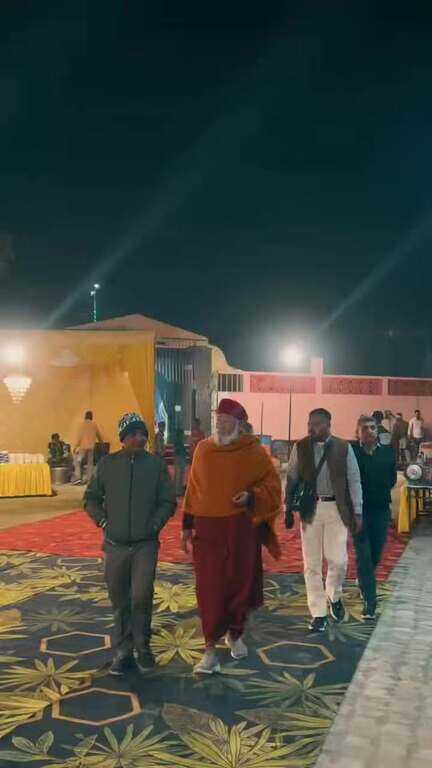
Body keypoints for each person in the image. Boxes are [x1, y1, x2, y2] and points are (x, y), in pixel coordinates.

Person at [182, 398, 282, 674]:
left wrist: (251, 496)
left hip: (240, 529)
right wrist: (186, 524)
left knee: (240, 583)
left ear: (239, 424)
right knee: (209, 588)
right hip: (207, 531)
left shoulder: (253, 451)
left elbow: (272, 485)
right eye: (218, 420)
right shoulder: (203, 450)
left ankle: (235, 633)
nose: (221, 425)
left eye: (226, 421)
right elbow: (193, 488)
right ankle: (209, 650)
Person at [84, 412, 176, 675]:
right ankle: (123, 652)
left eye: (142, 434)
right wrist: (103, 521)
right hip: (114, 545)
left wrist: (154, 524)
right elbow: (91, 498)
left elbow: (168, 501)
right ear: (123, 438)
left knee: (141, 596)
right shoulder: (108, 464)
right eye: (134, 434)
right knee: (120, 600)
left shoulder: (155, 466)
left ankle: (143, 648)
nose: (140, 438)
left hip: (145, 545)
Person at [285, 408, 363, 633]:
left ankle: (334, 594)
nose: (311, 428)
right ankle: (318, 613)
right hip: (310, 510)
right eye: (310, 423)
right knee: (312, 564)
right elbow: (291, 477)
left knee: (338, 561)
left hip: (336, 510)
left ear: (328, 424)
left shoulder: (343, 447)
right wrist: (287, 508)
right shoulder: (300, 447)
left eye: (317, 424)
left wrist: (357, 511)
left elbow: (354, 479)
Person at [352, 416, 397, 620]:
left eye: (373, 427)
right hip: (359, 513)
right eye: (365, 428)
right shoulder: (352, 453)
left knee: (376, 554)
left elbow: (392, 479)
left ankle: (363, 577)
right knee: (364, 555)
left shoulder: (387, 452)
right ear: (357, 433)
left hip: (381, 510)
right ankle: (370, 601)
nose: (370, 431)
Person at [72, 411, 103, 485]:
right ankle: (89, 480)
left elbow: (80, 437)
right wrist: (101, 443)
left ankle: (78, 478)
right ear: (91, 416)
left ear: (85, 416)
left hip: (83, 447)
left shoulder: (82, 424)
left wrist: (75, 446)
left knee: (78, 461)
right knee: (90, 464)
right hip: (91, 447)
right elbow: (98, 435)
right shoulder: (94, 424)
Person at [173, 426, 187, 498]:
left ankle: (177, 490)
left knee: (178, 475)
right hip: (179, 459)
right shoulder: (178, 442)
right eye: (182, 434)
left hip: (179, 459)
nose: (183, 435)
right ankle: (177, 491)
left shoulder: (178, 442)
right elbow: (178, 451)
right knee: (179, 475)